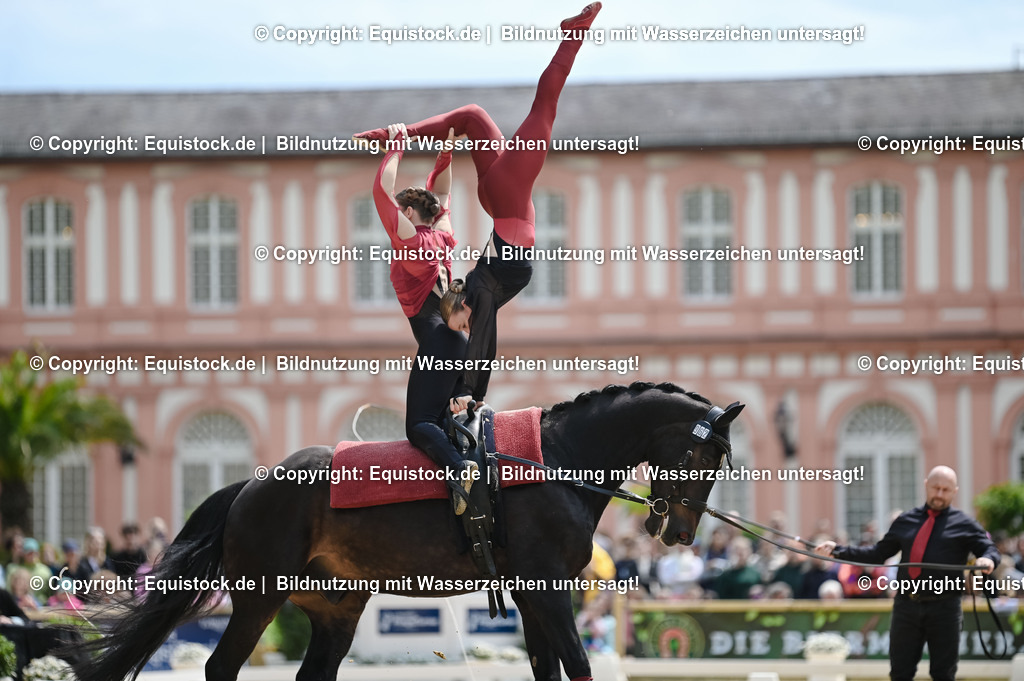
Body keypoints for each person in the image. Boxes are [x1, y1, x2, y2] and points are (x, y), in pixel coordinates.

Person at [357, 2, 602, 407]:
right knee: (510, 109)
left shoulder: (470, 282)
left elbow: (482, 341)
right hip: (500, 197)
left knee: (512, 109)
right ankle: (575, 32)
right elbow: (483, 335)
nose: (464, 328)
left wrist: (470, 393)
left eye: (461, 323)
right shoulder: (463, 270)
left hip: (503, 198)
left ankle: (575, 33)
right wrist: (468, 393)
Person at [369, 122, 477, 516]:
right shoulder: (443, 235)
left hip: (439, 342)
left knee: (419, 425)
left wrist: (397, 145)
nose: (397, 216)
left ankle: (461, 470)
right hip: (458, 343)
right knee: (444, 419)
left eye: (402, 211)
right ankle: (459, 492)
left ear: (411, 212)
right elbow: (443, 189)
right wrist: (445, 152)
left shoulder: (411, 241)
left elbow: (381, 192)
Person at [816, 465, 998, 681]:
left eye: (946, 490)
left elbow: (989, 549)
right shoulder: (906, 520)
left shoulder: (965, 524)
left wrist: (988, 559)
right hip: (907, 607)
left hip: (945, 609)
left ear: (955, 491)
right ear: (925, 486)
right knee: (900, 673)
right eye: (935, 488)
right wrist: (838, 550)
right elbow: (878, 554)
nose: (939, 494)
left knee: (943, 674)